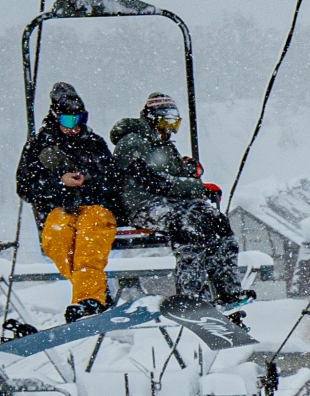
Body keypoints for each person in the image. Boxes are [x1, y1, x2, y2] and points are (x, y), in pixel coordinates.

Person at [109, 93, 250, 306]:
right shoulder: (132, 142)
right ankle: (191, 293)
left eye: (175, 123)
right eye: (166, 121)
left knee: (216, 221)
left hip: (171, 203)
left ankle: (228, 289)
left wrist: (188, 171)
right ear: (152, 119)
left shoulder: (164, 145)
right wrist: (196, 186)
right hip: (145, 206)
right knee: (185, 225)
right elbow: (153, 180)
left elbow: (172, 176)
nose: (170, 129)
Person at [16, 82, 118, 321]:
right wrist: (59, 183)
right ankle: (95, 294)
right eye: (69, 121)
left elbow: (112, 180)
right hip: (61, 207)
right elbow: (25, 185)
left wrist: (87, 181)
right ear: (55, 118)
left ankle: (88, 299)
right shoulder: (40, 146)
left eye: (80, 119)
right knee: (58, 240)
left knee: (89, 242)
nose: (75, 127)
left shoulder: (94, 144)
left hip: (95, 206)